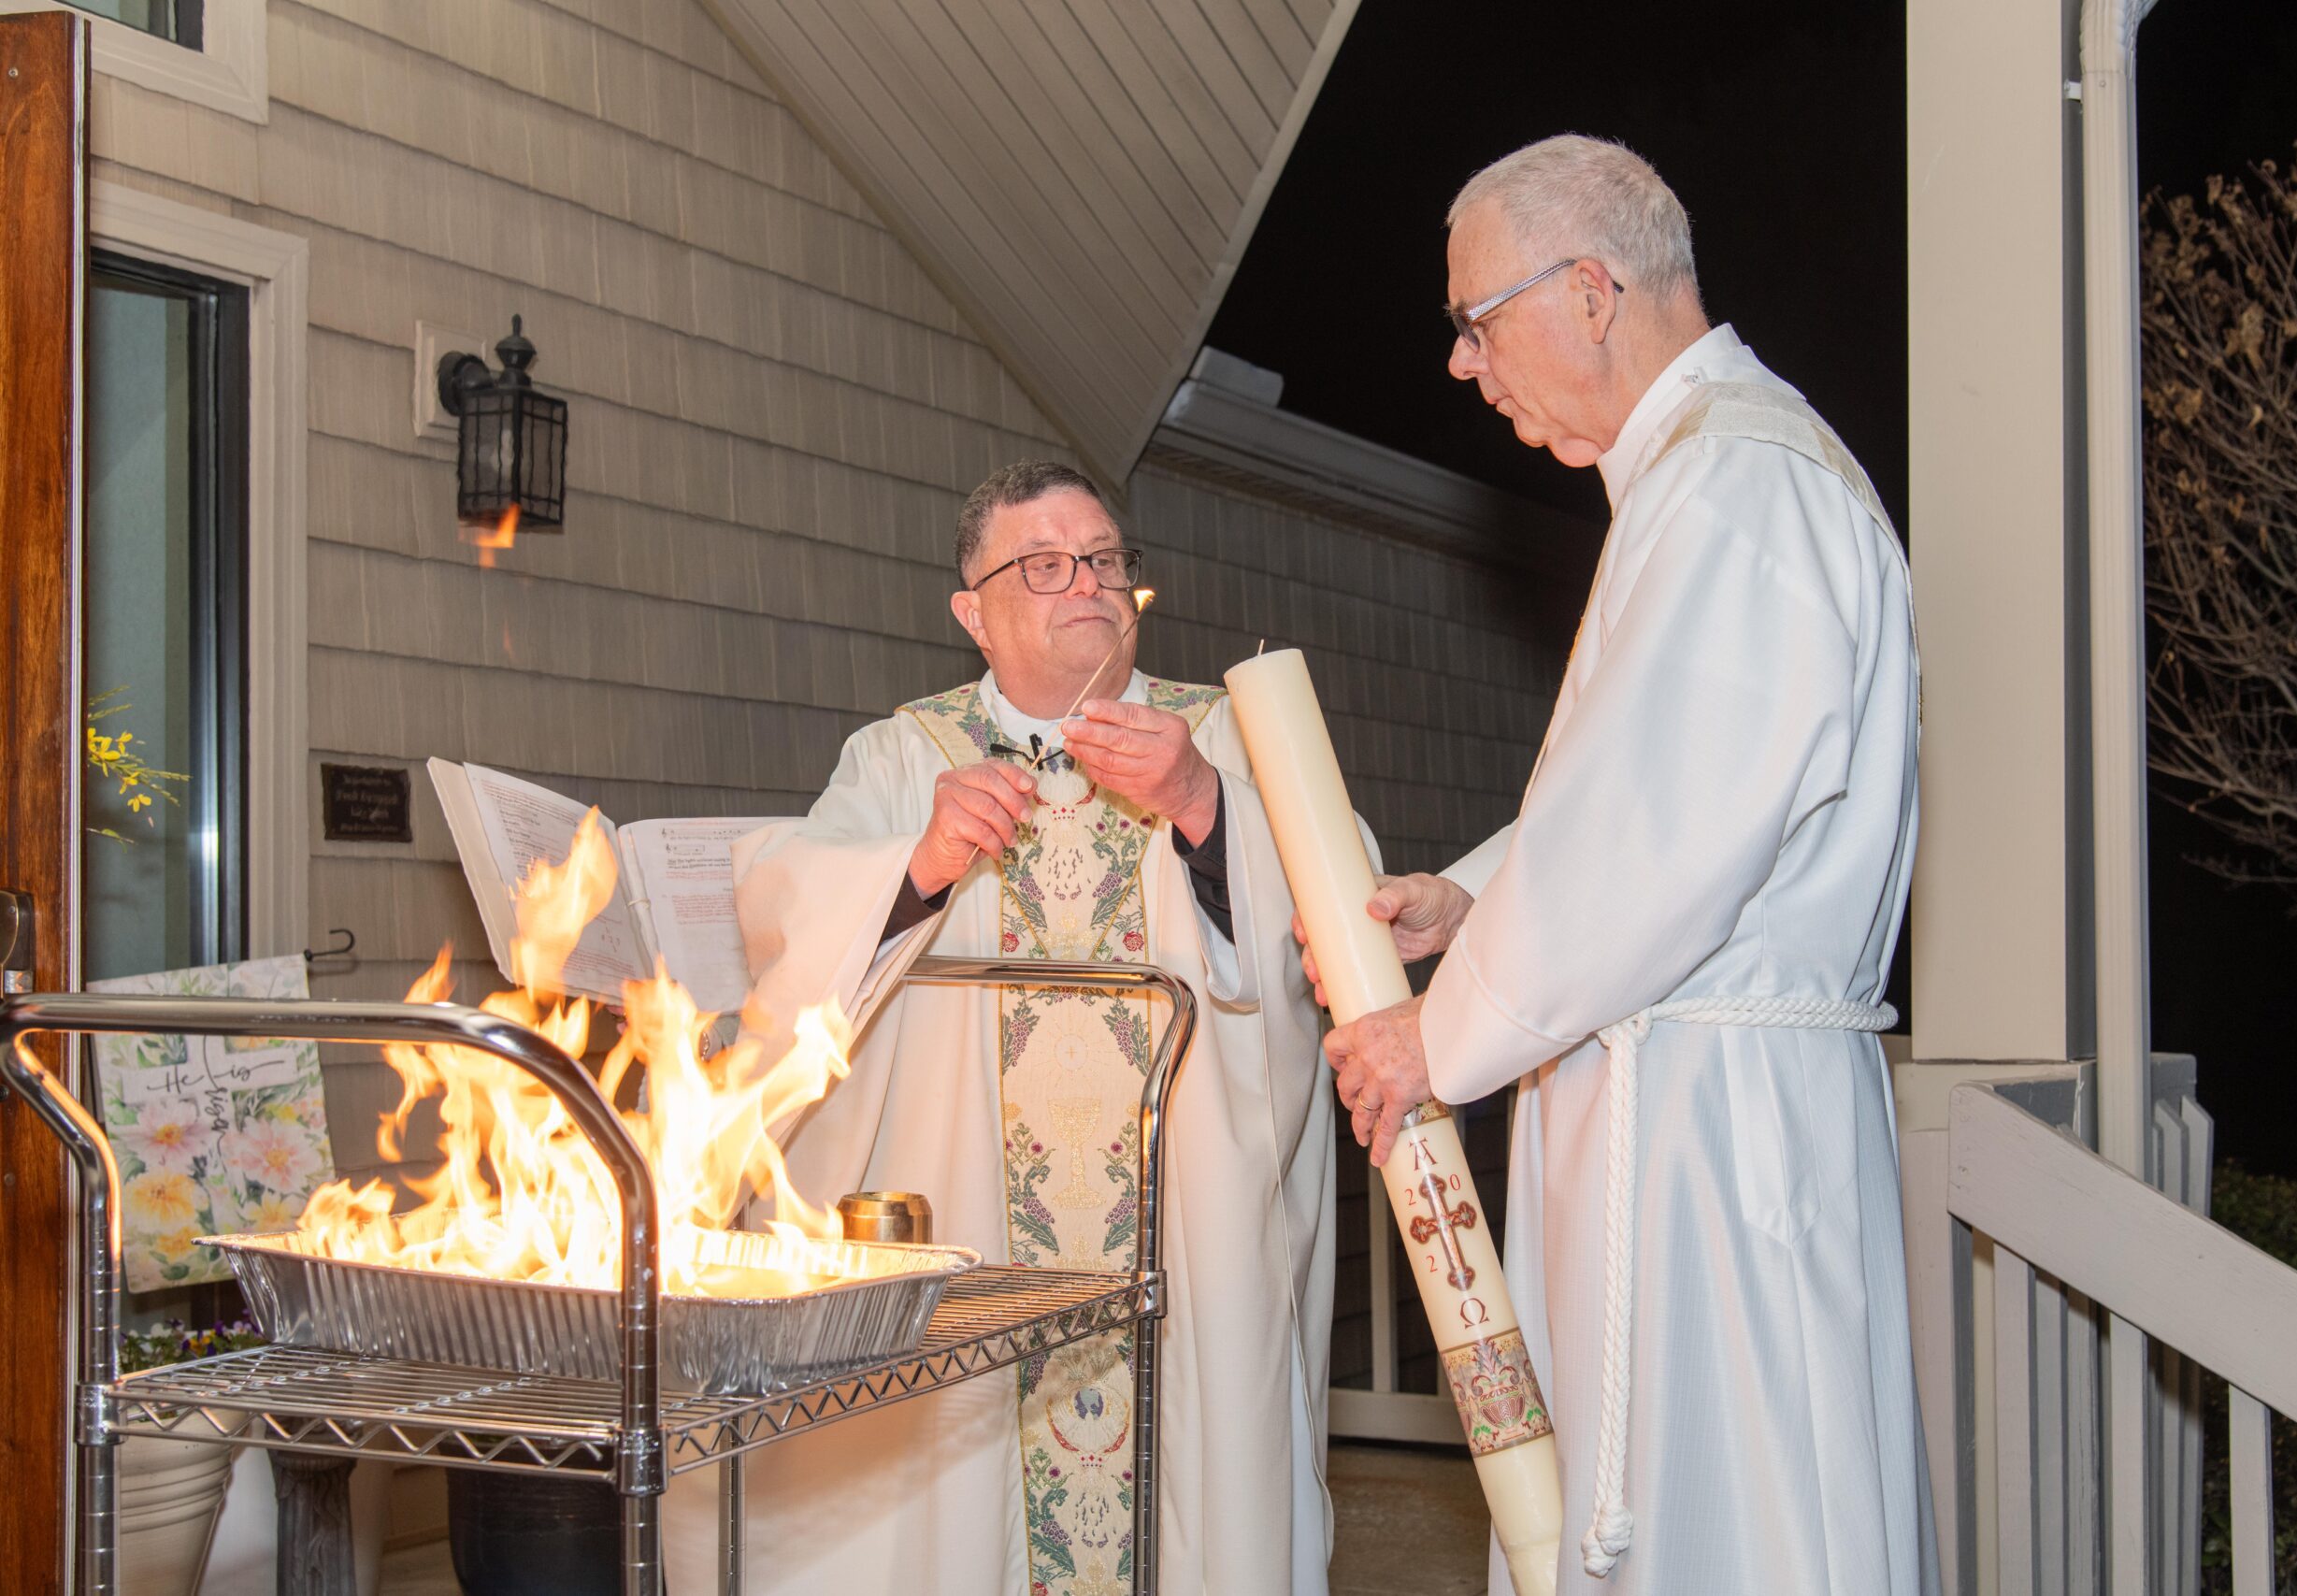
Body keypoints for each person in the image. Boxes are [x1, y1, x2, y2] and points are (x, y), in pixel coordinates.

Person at [1312, 137, 1935, 1594]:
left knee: (1734, 1518)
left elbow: (1666, 838)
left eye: (1478, 320)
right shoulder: (1706, 471)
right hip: (1691, 1100)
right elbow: (1665, 785)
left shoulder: (1737, 485)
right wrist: (1478, 897)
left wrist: (1437, 1034)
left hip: (1716, 1139)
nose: (1464, 363)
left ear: (1590, 292)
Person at [663, 460, 1337, 1596]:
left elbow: (1335, 911)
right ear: (972, 614)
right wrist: (917, 866)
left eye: (1104, 559)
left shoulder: (1224, 733)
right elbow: (793, 923)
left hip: (1185, 1229)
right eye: (1045, 565)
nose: (1088, 582)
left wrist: (1201, 805)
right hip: (969, 1211)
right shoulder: (903, 757)